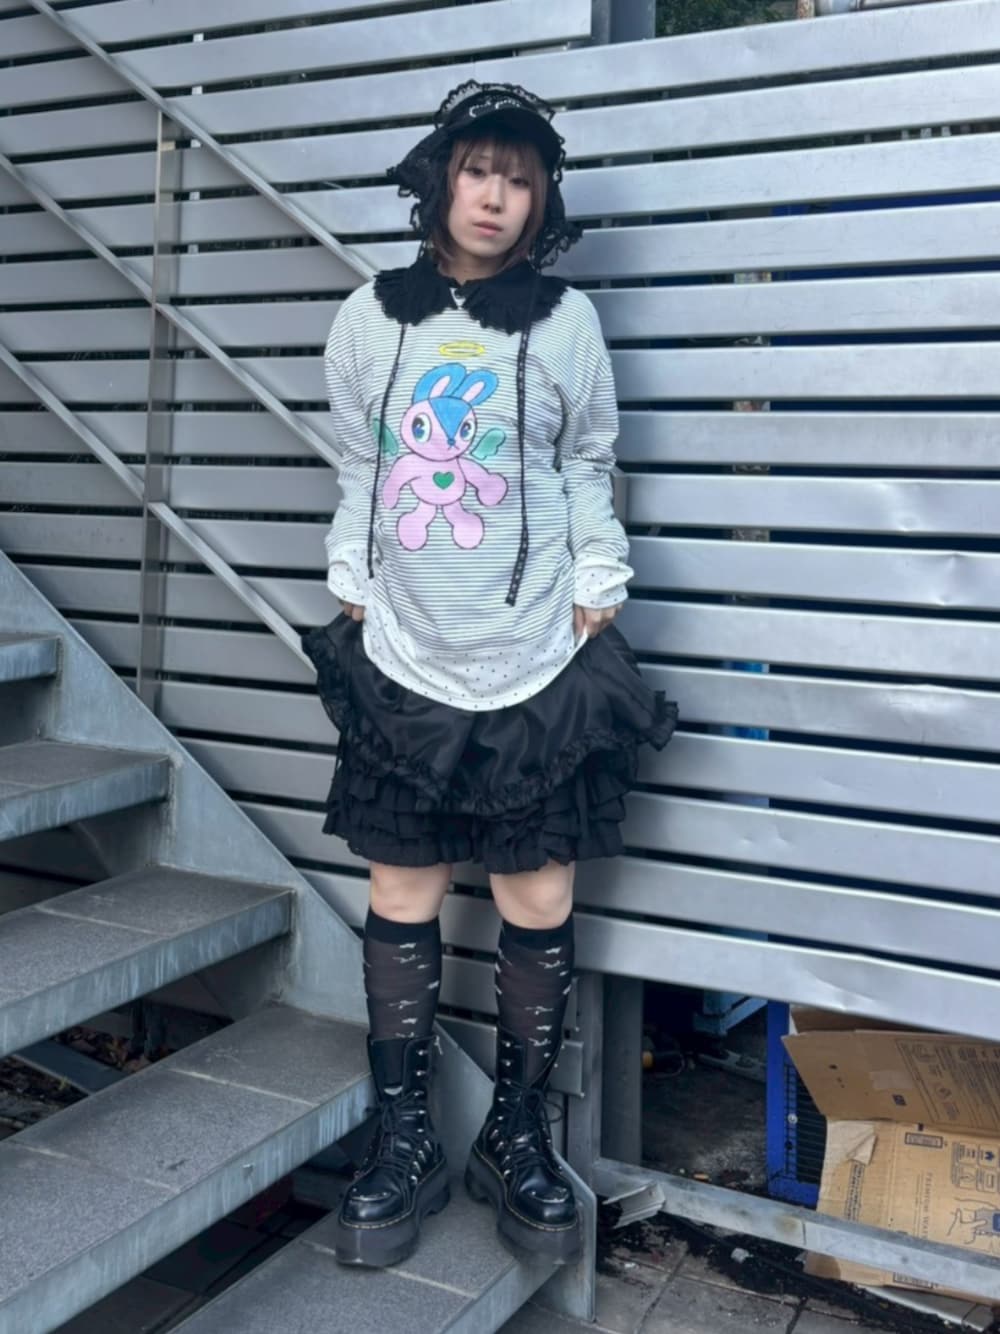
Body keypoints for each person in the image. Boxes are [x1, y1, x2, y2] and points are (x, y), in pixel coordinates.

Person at [302, 80, 676, 1271]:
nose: (496, 198)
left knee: (537, 894)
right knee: (402, 887)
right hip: (406, 650)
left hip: (537, 655)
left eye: (520, 180)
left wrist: (600, 569)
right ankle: (402, 1136)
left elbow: (587, 459)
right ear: (439, 180)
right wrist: (349, 568)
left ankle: (515, 1135)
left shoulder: (566, 322)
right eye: (478, 171)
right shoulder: (370, 315)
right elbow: (359, 462)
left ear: (541, 202)